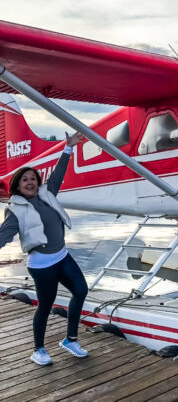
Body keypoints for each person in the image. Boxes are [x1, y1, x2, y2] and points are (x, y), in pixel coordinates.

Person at [0, 132, 89, 366]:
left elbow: (58, 174)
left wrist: (68, 148)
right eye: (25, 180)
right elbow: (2, 236)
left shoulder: (47, 194)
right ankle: (38, 350)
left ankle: (70, 340)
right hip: (42, 265)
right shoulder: (15, 210)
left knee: (80, 290)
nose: (30, 182)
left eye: (33, 178)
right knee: (45, 306)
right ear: (17, 186)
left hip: (62, 256)